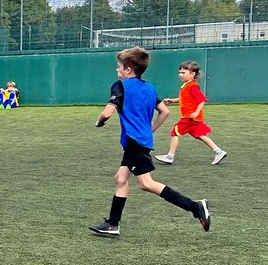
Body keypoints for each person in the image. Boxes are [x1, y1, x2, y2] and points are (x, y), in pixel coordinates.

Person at [90, 47, 211, 237]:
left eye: (119, 66)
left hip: (134, 142)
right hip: (140, 141)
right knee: (121, 179)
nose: (117, 70)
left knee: (146, 183)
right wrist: (149, 130)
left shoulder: (120, 86)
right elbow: (165, 111)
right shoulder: (150, 88)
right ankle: (113, 224)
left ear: (128, 69)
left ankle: (195, 207)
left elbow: (106, 113)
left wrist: (99, 123)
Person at [155, 61, 227, 166]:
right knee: (200, 135)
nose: (180, 74)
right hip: (191, 118)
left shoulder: (193, 86)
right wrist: (171, 100)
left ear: (192, 74)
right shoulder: (186, 85)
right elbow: (184, 98)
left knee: (174, 132)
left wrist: (196, 112)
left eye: (183, 72)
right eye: (179, 72)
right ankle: (219, 152)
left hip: (189, 117)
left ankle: (170, 156)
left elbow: (201, 100)